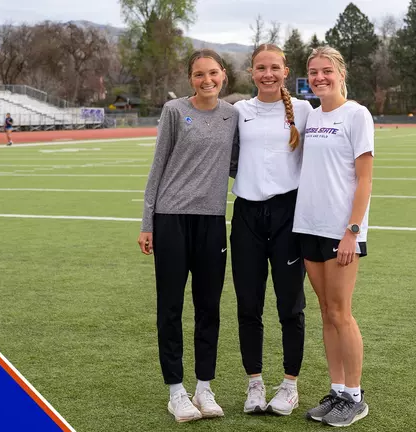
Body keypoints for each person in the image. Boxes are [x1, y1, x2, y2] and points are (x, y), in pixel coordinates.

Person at [137, 48, 239, 424]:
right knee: (171, 307)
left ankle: (204, 388)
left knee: (209, 307)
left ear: (224, 75)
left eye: (213, 73)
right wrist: (147, 223)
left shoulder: (233, 116)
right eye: (199, 74)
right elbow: (157, 166)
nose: (207, 80)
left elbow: (238, 166)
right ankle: (176, 391)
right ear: (190, 78)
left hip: (212, 221)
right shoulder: (175, 111)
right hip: (171, 219)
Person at [229, 43, 313, 416]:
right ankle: (255, 384)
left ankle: (290, 385)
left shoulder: (305, 111)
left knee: (290, 306)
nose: (267, 74)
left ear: (285, 70)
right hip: (246, 214)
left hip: (288, 216)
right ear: (251, 72)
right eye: (260, 68)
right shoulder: (238, 112)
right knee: (249, 305)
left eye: (274, 68)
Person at [293, 46, 374, 427]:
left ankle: (355, 397)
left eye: (327, 71)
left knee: (342, 312)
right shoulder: (310, 115)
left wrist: (352, 232)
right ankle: (337, 390)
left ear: (341, 74)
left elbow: (365, 179)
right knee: (325, 312)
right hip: (308, 225)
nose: (319, 77)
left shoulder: (356, 115)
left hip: (341, 233)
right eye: (313, 72)